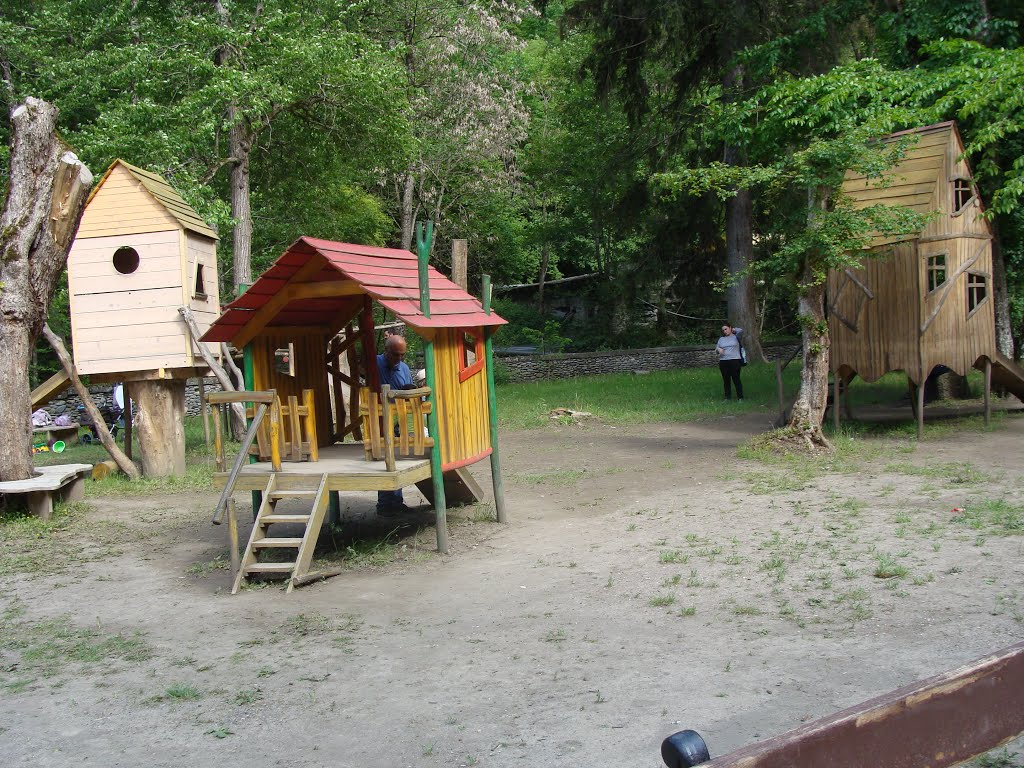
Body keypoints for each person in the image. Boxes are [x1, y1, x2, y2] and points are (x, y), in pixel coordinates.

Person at [375, 334, 418, 517]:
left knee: (398, 459)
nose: (399, 359)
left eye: (402, 355)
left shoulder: (404, 368)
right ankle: (385, 504)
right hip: (378, 420)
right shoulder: (374, 363)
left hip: (397, 419)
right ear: (386, 351)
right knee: (385, 461)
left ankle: (396, 501)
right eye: (395, 354)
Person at [715, 324, 744, 401]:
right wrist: (719, 350)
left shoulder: (736, 337)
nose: (725, 331)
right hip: (723, 362)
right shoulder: (721, 339)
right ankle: (727, 397)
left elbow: (741, 330)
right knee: (726, 380)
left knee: (736, 379)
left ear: (730, 328)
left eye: (726, 329)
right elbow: (716, 349)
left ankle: (740, 397)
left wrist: (734, 330)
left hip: (734, 361)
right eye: (723, 330)